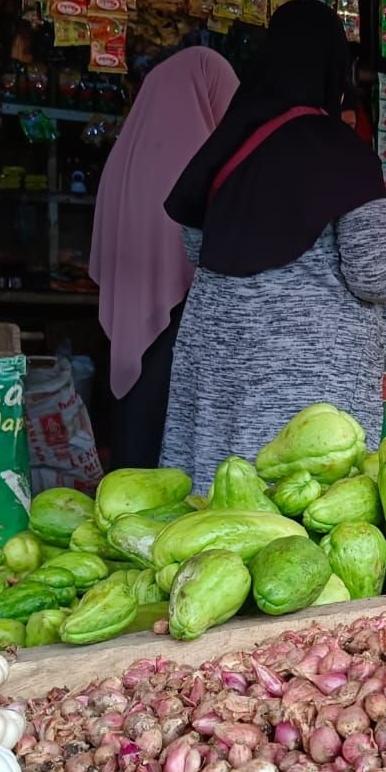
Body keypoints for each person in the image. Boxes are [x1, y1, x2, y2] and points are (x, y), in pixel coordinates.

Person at [161, 0, 386, 487]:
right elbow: (374, 274)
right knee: (302, 499)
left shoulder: (230, 141)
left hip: (223, 347)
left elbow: (197, 246)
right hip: (308, 369)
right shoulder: (339, 150)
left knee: (224, 494)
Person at [90, 46, 238, 468]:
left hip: (129, 322)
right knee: (162, 455)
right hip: (175, 318)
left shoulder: (126, 154)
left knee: (132, 436)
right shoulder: (195, 164)